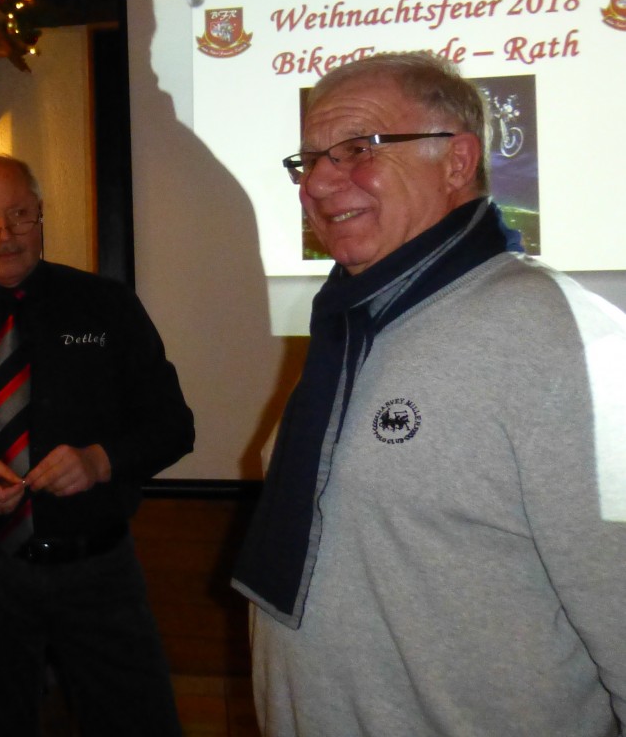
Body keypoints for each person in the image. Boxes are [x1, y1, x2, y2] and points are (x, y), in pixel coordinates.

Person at [232, 52, 626, 736]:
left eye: (358, 148)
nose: (317, 183)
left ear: (457, 161)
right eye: (310, 160)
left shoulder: (561, 334)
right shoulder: (354, 323)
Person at [0, 154, 194, 736]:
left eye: (19, 215)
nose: (5, 235)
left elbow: (173, 426)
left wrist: (100, 461)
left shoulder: (107, 306)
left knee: (138, 723)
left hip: (99, 569)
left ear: (41, 214)